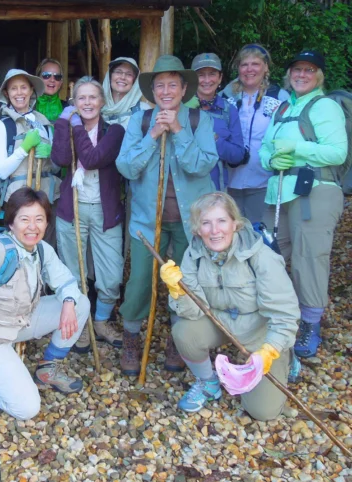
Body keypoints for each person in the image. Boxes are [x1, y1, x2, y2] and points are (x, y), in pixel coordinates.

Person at [116, 55, 218, 376]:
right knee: (140, 283)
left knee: (185, 282)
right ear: (152, 91)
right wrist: (152, 137)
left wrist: (178, 130)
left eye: (172, 84)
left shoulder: (200, 121)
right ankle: (131, 336)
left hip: (191, 223)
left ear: (184, 87)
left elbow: (202, 164)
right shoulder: (140, 121)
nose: (166, 90)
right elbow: (126, 166)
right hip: (148, 222)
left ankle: (180, 339)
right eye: (159, 85)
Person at [0, 187, 90, 420]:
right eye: (24, 219)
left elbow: (66, 281)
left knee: (79, 303)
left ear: (47, 223)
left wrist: (67, 302)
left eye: (39, 219)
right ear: (11, 223)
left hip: (18, 321)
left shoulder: (41, 249)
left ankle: (48, 368)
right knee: (27, 408)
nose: (32, 227)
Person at [160, 192, 299, 420]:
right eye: (206, 223)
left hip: (260, 331)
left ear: (235, 224)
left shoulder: (261, 257)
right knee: (183, 331)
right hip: (220, 322)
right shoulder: (192, 255)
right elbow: (192, 311)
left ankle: (287, 356)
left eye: (222, 221)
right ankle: (208, 382)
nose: (215, 230)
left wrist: (270, 349)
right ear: (197, 229)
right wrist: (178, 291)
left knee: (263, 412)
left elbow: (285, 314)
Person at [260, 50, 347, 358]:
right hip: (279, 191)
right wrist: (271, 157)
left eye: (309, 70)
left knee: (309, 257)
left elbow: (337, 152)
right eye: (297, 69)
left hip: (315, 191)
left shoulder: (325, 107)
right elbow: (264, 148)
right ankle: (280, 315)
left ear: (319, 75)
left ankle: (310, 324)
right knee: (269, 254)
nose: (301, 75)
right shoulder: (283, 106)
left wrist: (295, 148)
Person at [51, 76, 125, 352]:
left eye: (93, 97)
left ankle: (102, 320)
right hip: (73, 209)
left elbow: (92, 159)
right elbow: (59, 159)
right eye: (81, 98)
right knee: (74, 271)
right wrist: (62, 122)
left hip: (105, 212)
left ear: (103, 101)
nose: (87, 102)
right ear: (73, 103)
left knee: (111, 274)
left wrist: (75, 125)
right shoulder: (68, 126)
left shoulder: (114, 131)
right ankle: (80, 322)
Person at [220, 44, 290, 223]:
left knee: (259, 236)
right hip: (227, 182)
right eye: (244, 64)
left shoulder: (280, 97)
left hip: (264, 182)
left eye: (255, 64)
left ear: (266, 67)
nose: (249, 69)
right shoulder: (224, 97)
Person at [0, 69, 59, 244]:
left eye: (23, 87)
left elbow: (56, 167)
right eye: (14, 88)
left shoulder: (43, 122)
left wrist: (51, 154)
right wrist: (24, 149)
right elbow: (1, 171)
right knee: (19, 249)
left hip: (47, 198)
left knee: (46, 248)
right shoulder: (1, 126)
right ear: (7, 94)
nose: (19, 93)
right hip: (18, 199)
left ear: (31, 91)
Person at [187, 53, 246, 190]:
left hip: (215, 188)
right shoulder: (181, 107)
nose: (207, 80)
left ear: (220, 78)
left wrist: (214, 139)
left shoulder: (228, 110)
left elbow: (237, 155)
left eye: (212, 74)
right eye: (201, 74)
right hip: (184, 188)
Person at [101, 57, 150, 129]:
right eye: (118, 72)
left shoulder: (143, 110)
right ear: (110, 76)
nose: (123, 77)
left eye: (129, 74)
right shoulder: (96, 108)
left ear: (134, 81)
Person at [35, 58, 67, 123]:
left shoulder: (67, 108)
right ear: (38, 79)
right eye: (46, 75)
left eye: (57, 76)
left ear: (60, 83)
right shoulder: (28, 107)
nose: (52, 80)